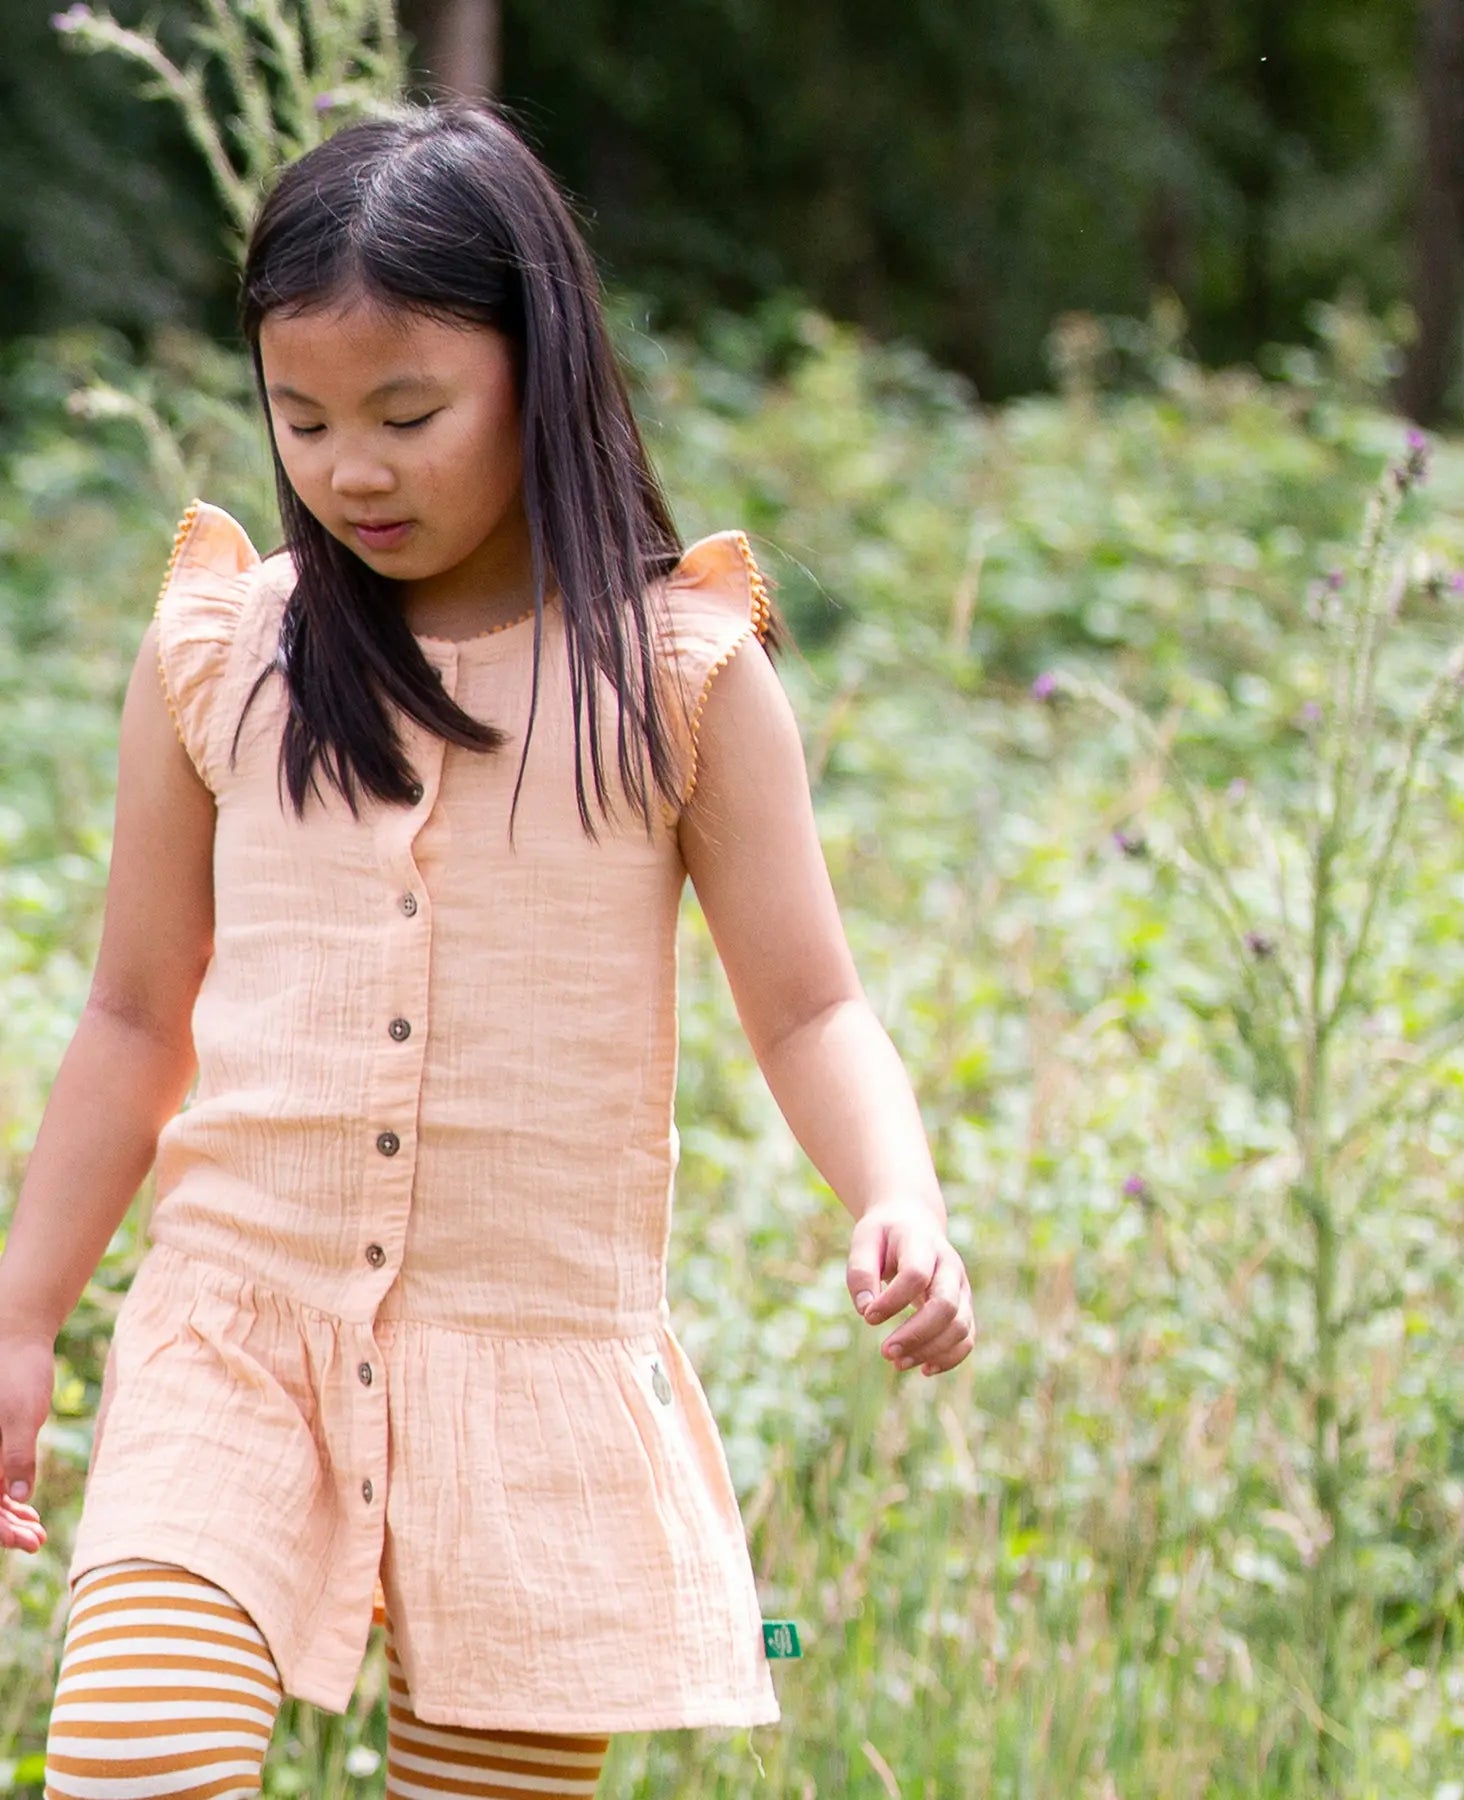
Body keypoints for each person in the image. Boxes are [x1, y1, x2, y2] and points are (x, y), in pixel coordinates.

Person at [0, 99, 975, 1798]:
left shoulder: (677, 680)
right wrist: (20, 1323)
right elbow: (132, 1013)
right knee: (129, 1767)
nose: (347, 469)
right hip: (232, 1346)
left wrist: (901, 1196)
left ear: (541, 370)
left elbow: (813, 1005)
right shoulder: (229, 651)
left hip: (530, 1388)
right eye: (298, 418)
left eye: (407, 412)